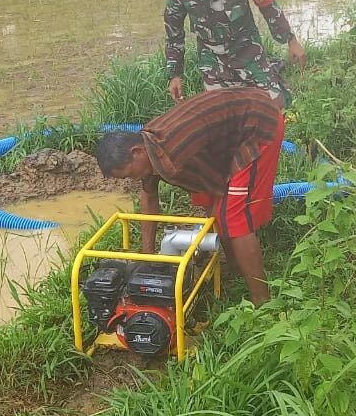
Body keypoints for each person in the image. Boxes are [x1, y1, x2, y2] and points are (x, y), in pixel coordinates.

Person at [95, 87, 285, 306]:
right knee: (211, 204)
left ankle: (262, 301)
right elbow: (149, 196)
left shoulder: (174, 152)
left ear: (136, 152)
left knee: (233, 217)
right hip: (230, 127)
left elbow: (218, 186)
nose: (134, 179)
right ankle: (235, 268)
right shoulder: (150, 148)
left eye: (130, 174)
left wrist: (223, 210)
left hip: (258, 123)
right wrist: (148, 257)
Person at [165, 0, 306, 109]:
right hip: (213, 60)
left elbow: (268, 5)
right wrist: (174, 75)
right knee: (221, 115)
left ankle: (273, 72)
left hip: (248, 51)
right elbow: (173, 35)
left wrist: (291, 40)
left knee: (276, 107)